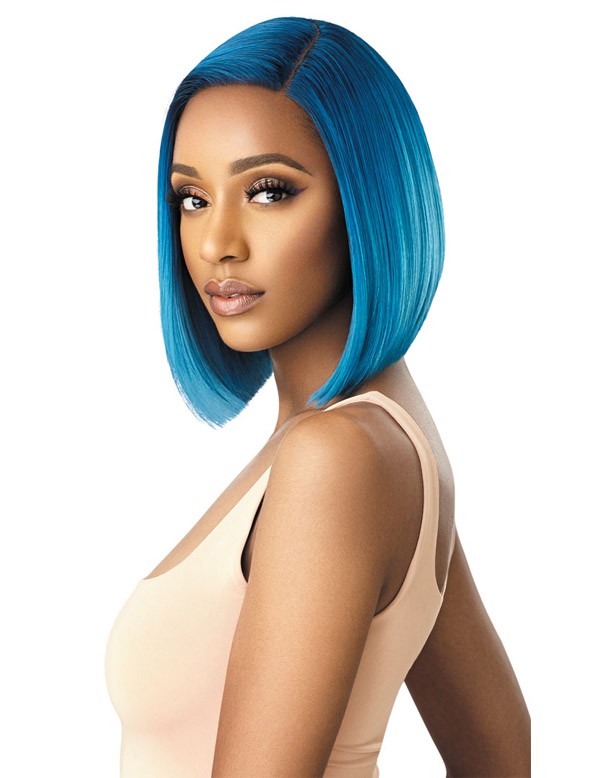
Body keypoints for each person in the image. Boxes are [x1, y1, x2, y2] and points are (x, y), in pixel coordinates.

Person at [105, 16, 530, 777]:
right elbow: (502, 749)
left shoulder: (335, 458)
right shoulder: (383, 447)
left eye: (268, 191)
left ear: (367, 201)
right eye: (192, 198)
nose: (217, 244)